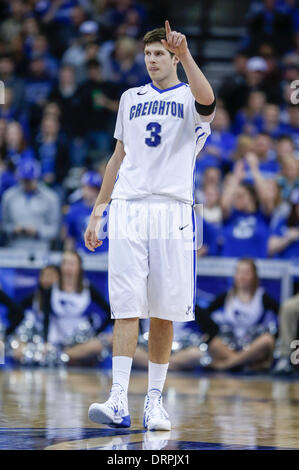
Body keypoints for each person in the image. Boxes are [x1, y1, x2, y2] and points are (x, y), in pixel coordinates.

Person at [84, 20, 216, 431]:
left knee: (163, 310)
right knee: (125, 305)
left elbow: (209, 101)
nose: (152, 60)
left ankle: (154, 402)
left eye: (159, 54)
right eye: (148, 54)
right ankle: (119, 398)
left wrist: (187, 53)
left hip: (172, 209)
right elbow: (117, 157)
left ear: (172, 58)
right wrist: (98, 208)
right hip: (128, 206)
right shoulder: (129, 98)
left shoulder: (188, 96)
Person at [170, 258, 278, 372]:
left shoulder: (262, 297)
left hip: (251, 345)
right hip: (229, 344)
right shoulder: (227, 296)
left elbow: (281, 313)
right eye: (239, 272)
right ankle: (240, 364)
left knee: (267, 340)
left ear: (254, 276)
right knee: (213, 342)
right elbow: (205, 314)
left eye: (246, 273)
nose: (242, 276)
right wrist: (211, 332)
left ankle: (227, 364)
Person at [1, 158, 60, 250]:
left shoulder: (51, 198)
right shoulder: (9, 196)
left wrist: (37, 231)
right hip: (14, 247)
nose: (26, 183)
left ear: (37, 178)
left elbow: (54, 229)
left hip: (40, 248)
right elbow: (4, 225)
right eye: (24, 180)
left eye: (30, 180)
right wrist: (13, 229)